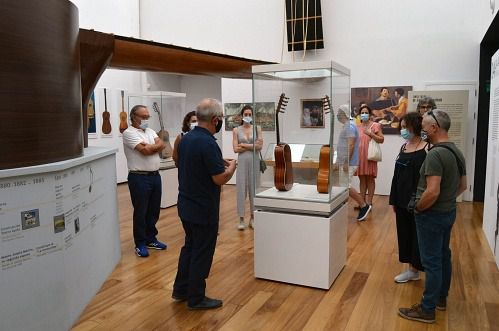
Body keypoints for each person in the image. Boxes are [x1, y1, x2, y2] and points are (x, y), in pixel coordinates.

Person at [399, 109, 466, 324]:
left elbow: (432, 191)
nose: (422, 129)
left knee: (432, 262)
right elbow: (462, 186)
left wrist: (419, 208)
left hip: (431, 215)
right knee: (443, 256)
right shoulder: (457, 151)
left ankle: (427, 309)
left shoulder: (436, 154)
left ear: (434, 128)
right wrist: (446, 201)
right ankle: (440, 299)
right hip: (448, 212)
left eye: (425, 126)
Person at [172, 98, 237, 310]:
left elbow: (191, 165)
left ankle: (181, 290)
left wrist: (218, 163)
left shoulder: (186, 139)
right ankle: (196, 298)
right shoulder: (209, 143)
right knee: (202, 251)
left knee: (189, 247)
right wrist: (232, 167)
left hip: (185, 205)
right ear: (215, 120)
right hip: (203, 209)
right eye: (221, 121)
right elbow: (219, 178)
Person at [122, 105, 167, 257]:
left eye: (148, 116)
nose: (147, 119)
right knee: (141, 211)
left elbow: (162, 144)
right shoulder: (129, 133)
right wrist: (154, 146)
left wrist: (152, 146)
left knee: (153, 210)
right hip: (139, 177)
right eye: (144, 116)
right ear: (134, 117)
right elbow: (146, 151)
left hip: (155, 176)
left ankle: (151, 238)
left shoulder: (150, 131)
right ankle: (140, 243)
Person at [389, 112, 427, 283]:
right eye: (402, 127)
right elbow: (396, 176)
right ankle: (411, 269)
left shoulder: (427, 148)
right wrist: (393, 199)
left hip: (418, 200)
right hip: (401, 198)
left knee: (417, 234)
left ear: (415, 127)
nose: (403, 130)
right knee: (404, 233)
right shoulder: (403, 147)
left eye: (406, 127)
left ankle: (416, 268)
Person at [336, 105, 371, 221]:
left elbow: (351, 145)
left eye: (339, 112)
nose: (337, 115)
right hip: (346, 161)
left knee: (346, 186)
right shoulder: (348, 125)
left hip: (349, 162)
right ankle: (341, 209)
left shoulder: (350, 126)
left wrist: (346, 161)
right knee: (343, 186)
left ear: (344, 113)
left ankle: (364, 205)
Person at [232, 105, 263, 230]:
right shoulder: (236, 130)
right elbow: (235, 149)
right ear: (242, 115)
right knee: (241, 189)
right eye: (246, 114)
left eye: (250, 114)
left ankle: (253, 218)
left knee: (254, 189)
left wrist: (243, 144)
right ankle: (241, 218)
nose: (248, 117)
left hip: (255, 161)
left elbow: (260, 146)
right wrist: (252, 145)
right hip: (242, 161)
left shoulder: (257, 128)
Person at [356, 105, 384, 216]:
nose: (364, 114)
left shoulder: (375, 125)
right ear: (359, 115)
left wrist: (371, 134)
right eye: (362, 112)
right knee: (362, 179)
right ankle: (362, 203)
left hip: (370, 156)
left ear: (370, 114)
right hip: (359, 156)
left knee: (370, 179)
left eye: (366, 112)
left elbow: (381, 140)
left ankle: (369, 202)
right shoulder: (357, 126)